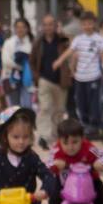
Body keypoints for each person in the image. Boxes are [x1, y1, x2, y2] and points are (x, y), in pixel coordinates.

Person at [53, 11, 103, 137]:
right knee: (81, 103)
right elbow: (70, 51)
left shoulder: (99, 39)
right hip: (80, 78)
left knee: (94, 103)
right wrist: (59, 61)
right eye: (84, 24)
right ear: (81, 25)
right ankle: (84, 126)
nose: (87, 26)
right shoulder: (78, 39)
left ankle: (94, 127)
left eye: (90, 24)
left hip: (94, 77)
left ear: (94, 24)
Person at [30, 14, 68, 145]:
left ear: (55, 25)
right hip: (44, 80)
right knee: (45, 108)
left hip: (61, 81)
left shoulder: (62, 40)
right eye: (45, 24)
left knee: (59, 110)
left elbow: (71, 46)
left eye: (51, 24)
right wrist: (37, 77)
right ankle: (44, 137)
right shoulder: (38, 42)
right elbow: (32, 61)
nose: (48, 27)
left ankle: (56, 136)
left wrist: (62, 32)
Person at [0, 17, 35, 107]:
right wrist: (20, 66)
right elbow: (6, 61)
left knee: (27, 105)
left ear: (27, 28)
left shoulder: (32, 43)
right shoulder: (8, 42)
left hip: (27, 78)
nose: (20, 29)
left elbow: (33, 60)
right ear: (14, 29)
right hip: (11, 77)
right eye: (18, 27)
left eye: (23, 27)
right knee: (14, 106)